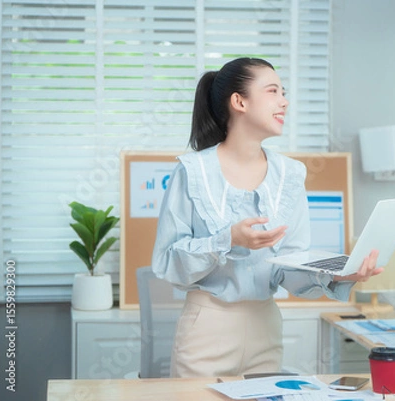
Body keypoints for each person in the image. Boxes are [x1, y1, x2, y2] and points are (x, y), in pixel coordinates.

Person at [151, 57, 383, 378]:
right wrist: (228, 239)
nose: (284, 101)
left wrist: (340, 276)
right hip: (207, 328)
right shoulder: (193, 171)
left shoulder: (290, 174)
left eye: (283, 92)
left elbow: (290, 267)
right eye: (273, 91)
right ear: (239, 101)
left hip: (266, 327)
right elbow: (167, 263)